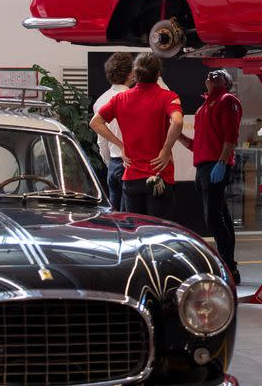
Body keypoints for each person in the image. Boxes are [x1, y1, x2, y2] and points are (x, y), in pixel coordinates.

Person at [90, 53, 183, 219]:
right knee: (158, 232)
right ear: (158, 74)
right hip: (159, 176)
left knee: (134, 231)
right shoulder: (168, 97)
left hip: (132, 176)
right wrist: (166, 149)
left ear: (135, 74)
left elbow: (95, 123)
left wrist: (121, 145)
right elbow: (177, 121)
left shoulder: (120, 99)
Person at [178, 69, 242, 284]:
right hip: (204, 168)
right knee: (220, 215)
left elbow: (230, 136)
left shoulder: (227, 101)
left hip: (215, 165)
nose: (214, 76)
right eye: (211, 74)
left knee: (213, 218)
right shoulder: (202, 108)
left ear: (227, 82)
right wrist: (176, 133)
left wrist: (223, 162)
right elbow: (196, 145)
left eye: (220, 75)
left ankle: (228, 266)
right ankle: (230, 266)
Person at [92, 52, 135, 210]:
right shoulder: (133, 98)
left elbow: (101, 140)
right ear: (130, 73)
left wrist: (109, 162)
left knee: (114, 218)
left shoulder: (100, 100)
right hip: (130, 164)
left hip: (113, 164)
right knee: (129, 218)